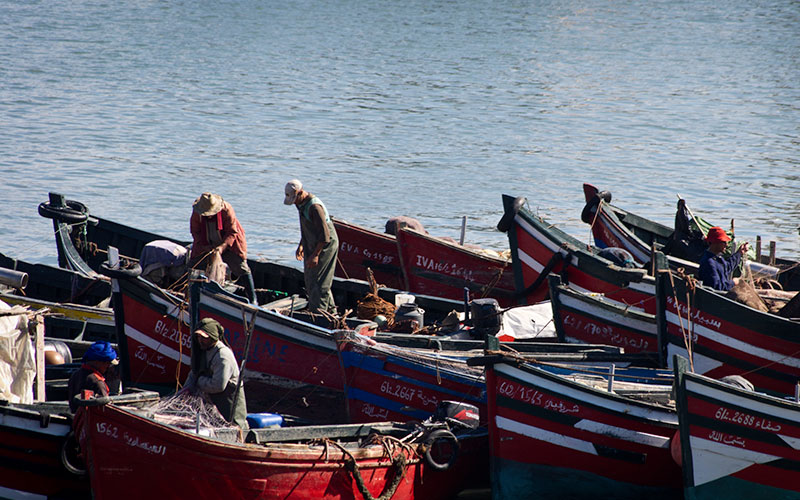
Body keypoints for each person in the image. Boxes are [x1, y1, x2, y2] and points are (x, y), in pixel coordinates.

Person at [190, 192, 257, 305]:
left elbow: (232, 232)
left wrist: (221, 248)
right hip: (206, 241)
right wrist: (205, 247)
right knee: (193, 265)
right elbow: (195, 232)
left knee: (242, 267)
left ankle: (253, 299)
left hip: (228, 242)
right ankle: (192, 295)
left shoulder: (226, 210)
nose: (209, 215)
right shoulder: (197, 213)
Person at [284, 179, 339, 313]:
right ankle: (332, 312)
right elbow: (307, 226)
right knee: (310, 278)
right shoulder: (301, 203)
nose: (294, 202)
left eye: (295, 198)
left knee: (320, 282)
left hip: (324, 245)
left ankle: (319, 315)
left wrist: (315, 255)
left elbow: (325, 237)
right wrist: (302, 244)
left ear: (301, 192)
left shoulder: (314, 207)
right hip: (312, 242)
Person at [182, 318, 248, 429]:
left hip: (229, 412)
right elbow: (193, 375)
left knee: (234, 428)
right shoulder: (202, 352)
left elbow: (218, 386)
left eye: (204, 338)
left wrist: (199, 381)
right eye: (198, 337)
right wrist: (184, 392)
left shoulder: (223, 356)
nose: (200, 340)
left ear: (213, 337)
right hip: (212, 413)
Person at [67, 341, 121, 412]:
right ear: (98, 362)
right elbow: (103, 408)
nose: (108, 367)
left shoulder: (76, 374)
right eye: (107, 363)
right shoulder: (97, 382)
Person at [697, 226, 750, 291]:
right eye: (723, 242)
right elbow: (718, 287)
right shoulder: (709, 263)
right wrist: (733, 282)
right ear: (715, 243)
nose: (726, 245)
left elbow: (727, 266)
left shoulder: (716, 258)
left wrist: (739, 253)